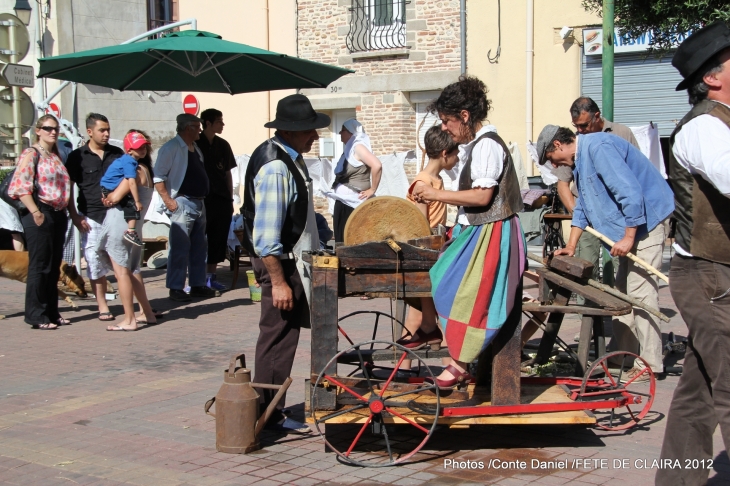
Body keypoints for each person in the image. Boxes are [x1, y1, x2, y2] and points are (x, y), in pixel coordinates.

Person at [412, 76, 526, 389]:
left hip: (493, 233)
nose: (444, 129)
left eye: (447, 121)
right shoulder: (476, 147)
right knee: (444, 281)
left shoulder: (488, 146)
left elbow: (482, 197)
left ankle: (460, 362)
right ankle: (456, 351)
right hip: (481, 231)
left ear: (464, 116)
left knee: (460, 293)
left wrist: (436, 196)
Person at [538, 125, 674, 381]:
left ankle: (650, 364)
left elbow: (629, 193)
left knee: (641, 295)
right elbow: (582, 209)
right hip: (631, 228)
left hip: (648, 224)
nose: (554, 166)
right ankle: (623, 355)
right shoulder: (581, 163)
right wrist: (570, 246)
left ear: (557, 145)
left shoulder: (599, 148)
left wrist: (629, 236)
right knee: (622, 295)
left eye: (551, 160)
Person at [656, 22, 730, 486]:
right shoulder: (705, 125)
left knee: (698, 392)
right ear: (714, 77)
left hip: (715, 274)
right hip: (708, 276)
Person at [241, 94, 326, 432]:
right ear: (290, 131)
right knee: (277, 334)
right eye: (310, 130)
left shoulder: (287, 156)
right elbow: (265, 237)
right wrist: (278, 281)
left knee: (283, 333)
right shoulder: (276, 166)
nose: (315, 137)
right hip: (278, 262)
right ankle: (267, 414)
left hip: (284, 259)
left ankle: (270, 409)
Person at [555, 97, 642, 293]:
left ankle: (620, 309)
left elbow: (633, 178)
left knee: (624, 270)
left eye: (584, 125)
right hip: (587, 217)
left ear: (597, 116)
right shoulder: (575, 143)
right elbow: (563, 184)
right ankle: (589, 319)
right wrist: (579, 213)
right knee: (585, 265)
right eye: (576, 126)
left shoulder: (621, 133)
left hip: (618, 215)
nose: (581, 130)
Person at [397, 126, 459, 352]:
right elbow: (421, 225)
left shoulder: (436, 179)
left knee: (427, 314)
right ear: (445, 153)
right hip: (426, 251)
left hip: (436, 245)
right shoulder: (423, 182)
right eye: (456, 153)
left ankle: (428, 335)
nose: (458, 158)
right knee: (433, 306)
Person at [8, 115, 71, 329]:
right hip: (40, 210)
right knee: (39, 265)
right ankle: (36, 315)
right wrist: (35, 211)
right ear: (38, 130)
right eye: (47, 128)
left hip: (58, 212)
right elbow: (19, 186)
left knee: (53, 266)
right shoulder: (31, 153)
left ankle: (52, 312)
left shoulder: (55, 155)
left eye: (55, 129)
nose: (52, 132)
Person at [152, 113, 219, 302]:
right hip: (182, 202)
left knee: (199, 248)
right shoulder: (171, 148)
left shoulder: (195, 148)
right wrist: (168, 201)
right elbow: (158, 177)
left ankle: (197, 285)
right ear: (187, 128)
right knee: (180, 247)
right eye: (197, 126)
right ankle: (176, 287)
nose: (200, 130)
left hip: (199, 202)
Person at [66, 113, 124, 322]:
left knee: (122, 261)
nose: (107, 134)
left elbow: (128, 181)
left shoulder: (117, 154)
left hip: (115, 214)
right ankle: (102, 306)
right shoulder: (77, 157)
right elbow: (68, 187)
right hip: (89, 216)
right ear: (90, 132)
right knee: (94, 261)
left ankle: (131, 303)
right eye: (102, 130)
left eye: (108, 129)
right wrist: (74, 215)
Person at [99, 130, 158, 331]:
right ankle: (147, 313)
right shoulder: (147, 171)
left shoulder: (134, 170)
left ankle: (129, 318)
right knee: (133, 270)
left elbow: (115, 197)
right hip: (135, 226)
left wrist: (109, 198)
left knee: (121, 271)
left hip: (120, 223)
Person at [197, 108, 237, 291]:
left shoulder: (223, 145)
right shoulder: (196, 143)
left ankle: (210, 277)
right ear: (208, 123)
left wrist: (230, 200)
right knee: (197, 239)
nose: (222, 125)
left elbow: (228, 173)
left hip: (221, 199)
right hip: (201, 199)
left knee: (218, 239)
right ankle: (196, 278)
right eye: (219, 121)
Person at [330, 119, 382, 244]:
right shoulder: (350, 149)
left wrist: (372, 189)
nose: (340, 133)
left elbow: (377, 165)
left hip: (353, 203)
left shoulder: (358, 147)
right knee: (342, 241)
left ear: (350, 132)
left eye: (342, 130)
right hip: (344, 202)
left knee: (350, 241)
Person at [99, 132, 146, 247]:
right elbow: (131, 182)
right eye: (139, 148)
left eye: (144, 147)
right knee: (132, 204)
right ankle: (131, 231)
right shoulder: (129, 162)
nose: (143, 150)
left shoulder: (130, 160)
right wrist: (137, 201)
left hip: (107, 187)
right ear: (129, 150)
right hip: (109, 188)